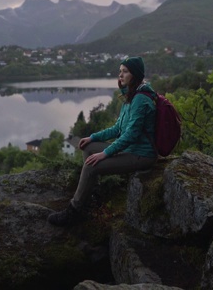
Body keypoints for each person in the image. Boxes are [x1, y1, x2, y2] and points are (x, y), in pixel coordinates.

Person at [48, 56, 157, 227]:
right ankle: (91, 193)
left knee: (92, 165)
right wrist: (92, 137)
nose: (120, 75)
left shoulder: (140, 99)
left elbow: (131, 135)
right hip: (131, 149)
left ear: (135, 75)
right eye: (120, 71)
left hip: (141, 155)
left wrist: (105, 154)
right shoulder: (130, 96)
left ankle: (74, 212)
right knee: (88, 147)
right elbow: (117, 129)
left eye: (125, 72)